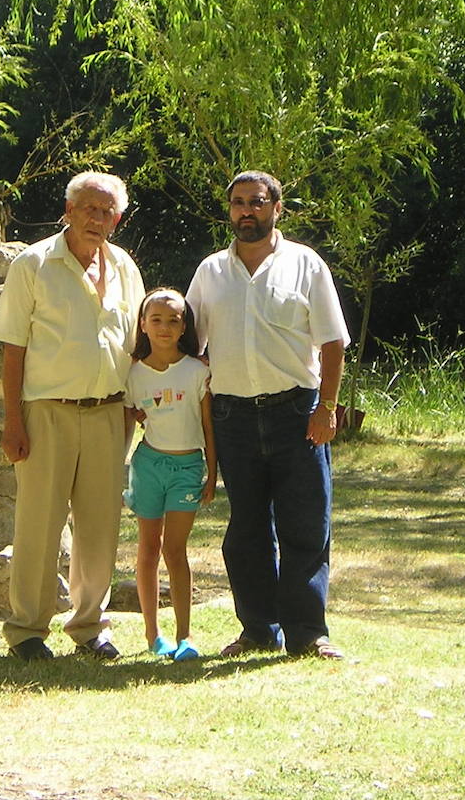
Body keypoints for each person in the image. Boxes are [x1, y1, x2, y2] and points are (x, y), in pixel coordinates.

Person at [186, 170, 350, 660]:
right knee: (247, 532)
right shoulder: (211, 272)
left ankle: (307, 633)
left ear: (277, 208)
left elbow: (333, 341)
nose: (246, 212)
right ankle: (258, 629)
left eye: (256, 203)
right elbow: (190, 343)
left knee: (305, 525)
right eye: (238, 203)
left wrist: (327, 408)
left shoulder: (306, 265)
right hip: (232, 418)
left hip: (296, 414)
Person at [0, 172, 145, 661]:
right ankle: (27, 630)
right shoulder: (33, 264)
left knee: (99, 527)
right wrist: (13, 422)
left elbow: (136, 344)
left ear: (116, 220)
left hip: (108, 413)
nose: (97, 220)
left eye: (107, 212)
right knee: (39, 523)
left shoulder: (124, 268)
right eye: (89, 209)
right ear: (69, 211)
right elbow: (12, 348)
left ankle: (89, 627)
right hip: (46, 413)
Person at [122, 288, 217, 661]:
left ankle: (185, 637)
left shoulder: (198, 371)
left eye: (173, 320)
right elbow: (130, 412)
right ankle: (153, 635)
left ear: (184, 327)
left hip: (187, 468)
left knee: (174, 550)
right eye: (156, 319)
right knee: (147, 549)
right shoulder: (132, 374)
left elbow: (209, 427)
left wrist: (211, 472)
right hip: (148, 466)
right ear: (143, 325)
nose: (164, 327)